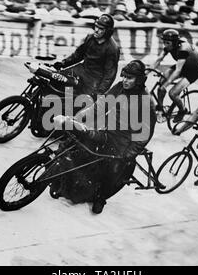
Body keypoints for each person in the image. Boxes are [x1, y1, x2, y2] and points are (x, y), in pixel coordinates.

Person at [53, 60, 156, 214]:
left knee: (113, 169)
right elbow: (100, 106)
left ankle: (100, 198)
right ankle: (64, 182)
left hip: (124, 141)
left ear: (139, 80)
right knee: (79, 145)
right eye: (125, 77)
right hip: (107, 130)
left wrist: (129, 153)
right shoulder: (119, 88)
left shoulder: (146, 101)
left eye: (130, 78)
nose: (126, 81)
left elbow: (145, 133)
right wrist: (79, 116)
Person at [53, 14, 120, 97]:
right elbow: (78, 55)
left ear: (107, 31)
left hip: (95, 78)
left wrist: (99, 92)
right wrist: (63, 63)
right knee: (56, 77)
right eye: (96, 27)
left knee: (85, 101)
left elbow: (109, 75)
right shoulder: (90, 38)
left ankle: (68, 108)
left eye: (101, 29)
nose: (96, 30)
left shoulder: (112, 48)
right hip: (81, 69)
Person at [152, 28, 198, 123]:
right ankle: (160, 108)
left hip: (193, 70)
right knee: (161, 84)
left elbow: (178, 71)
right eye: (164, 42)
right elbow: (159, 59)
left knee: (173, 93)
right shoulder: (169, 46)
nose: (165, 45)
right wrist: (146, 72)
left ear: (174, 42)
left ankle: (182, 110)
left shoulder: (183, 49)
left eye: (168, 43)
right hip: (183, 65)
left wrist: (166, 85)